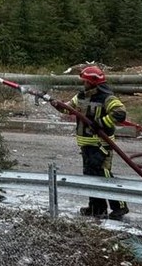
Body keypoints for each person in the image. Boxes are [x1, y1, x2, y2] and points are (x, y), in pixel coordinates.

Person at [54, 65, 129, 220]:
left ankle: (120, 207)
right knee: (90, 175)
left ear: (93, 82)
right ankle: (97, 208)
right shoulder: (81, 96)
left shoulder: (107, 98)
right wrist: (56, 104)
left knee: (104, 174)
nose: (83, 84)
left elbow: (120, 113)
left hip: (101, 144)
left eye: (86, 81)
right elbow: (69, 109)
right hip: (86, 144)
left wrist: (100, 123)